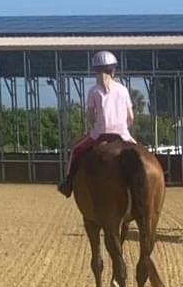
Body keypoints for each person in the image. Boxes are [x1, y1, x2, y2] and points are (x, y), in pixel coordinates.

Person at [57, 50, 136, 196]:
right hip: (123, 134)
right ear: (113, 70)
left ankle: (67, 183)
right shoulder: (123, 90)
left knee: (75, 150)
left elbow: (91, 117)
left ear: (95, 71)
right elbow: (131, 117)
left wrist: (95, 127)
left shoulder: (93, 91)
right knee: (143, 153)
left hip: (100, 134)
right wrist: (124, 127)